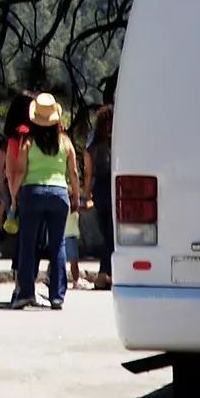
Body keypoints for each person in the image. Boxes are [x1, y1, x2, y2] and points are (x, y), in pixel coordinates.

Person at [6, 93, 79, 310]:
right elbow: (73, 172)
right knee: (58, 245)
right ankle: (57, 295)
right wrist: (76, 196)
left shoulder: (28, 142)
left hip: (33, 192)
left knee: (28, 245)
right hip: (59, 193)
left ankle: (26, 293)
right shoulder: (65, 142)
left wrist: (13, 198)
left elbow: (19, 172)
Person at [0, 91, 35, 259]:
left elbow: (2, 170)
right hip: (21, 184)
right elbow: (4, 170)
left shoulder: (10, 139)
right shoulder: (29, 138)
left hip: (14, 184)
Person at [84, 101, 114, 289]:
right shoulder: (120, 137)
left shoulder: (93, 138)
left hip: (99, 187)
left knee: (106, 232)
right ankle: (105, 273)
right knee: (112, 234)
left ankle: (106, 273)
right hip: (116, 185)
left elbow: (88, 168)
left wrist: (87, 193)